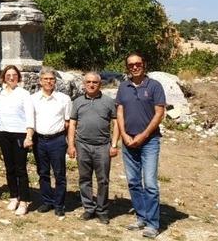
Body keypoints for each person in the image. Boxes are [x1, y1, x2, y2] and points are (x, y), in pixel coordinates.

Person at [116, 53, 166, 239]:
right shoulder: (123, 87)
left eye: (138, 64)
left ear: (144, 65)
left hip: (149, 141)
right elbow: (119, 112)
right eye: (131, 65)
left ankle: (153, 224)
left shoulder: (154, 86)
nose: (135, 67)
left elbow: (159, 113)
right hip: (128, 141)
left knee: (150, 183)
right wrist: (124, 135)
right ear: (127, 67)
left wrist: (143, 135)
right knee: (133, 181)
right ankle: (141, 217)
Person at [68, 71, 119, 225]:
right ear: (84, 84)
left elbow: (116, 123)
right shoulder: (77, 102)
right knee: (84, 179)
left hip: (102, 146)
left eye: (94, 82)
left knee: (103, 180)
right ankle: (89, 208)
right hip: (82, 145)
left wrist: (114, 145)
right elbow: (72, 124)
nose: (91, 85)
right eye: (88, 82)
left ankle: (102, 210)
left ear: (100, 84)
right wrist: (71, 145)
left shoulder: (108, 101)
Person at [0, 64, 34, 216]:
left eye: (14, 75)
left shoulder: (24, 94)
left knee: (20, 168)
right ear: (3, 77)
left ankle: (24, 201)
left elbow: (30, 115)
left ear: (18, 77)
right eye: (8, 75)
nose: (11, 77)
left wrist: (29, 136)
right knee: (9, 167)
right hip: (3, 133)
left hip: (19, 134)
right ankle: (14, 197)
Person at [31, 67, 71, 217]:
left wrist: (69, 142)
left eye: (51, 79)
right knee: (43, 172)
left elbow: (68, 122)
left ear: (55, 81)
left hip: (57, 140)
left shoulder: (64, 99)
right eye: (45, 79)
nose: (48, 81)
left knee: (59, 173)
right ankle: (47, 201)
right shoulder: (33, 99)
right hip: (39, 140)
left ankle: (59, 204)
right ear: (40, 81)